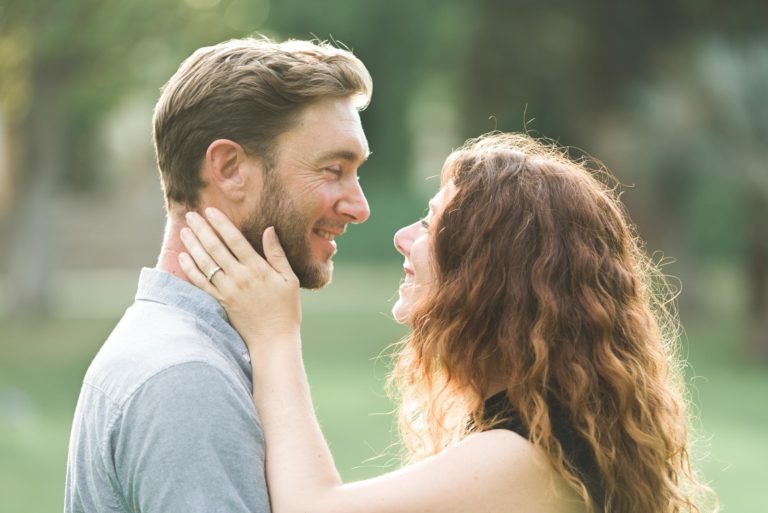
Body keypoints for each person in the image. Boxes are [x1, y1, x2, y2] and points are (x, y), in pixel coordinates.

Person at [179, 132, 716, 513]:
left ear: (491, 272)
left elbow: (311, 509)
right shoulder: (550, 434)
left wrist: (275, 334)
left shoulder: (520, 457)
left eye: (431, 223)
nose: (403, 238)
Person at [64, 36, 372, 513]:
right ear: (229, 168)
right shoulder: (186, 381)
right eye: (333, 170)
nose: (359, 207)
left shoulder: (175, 346)